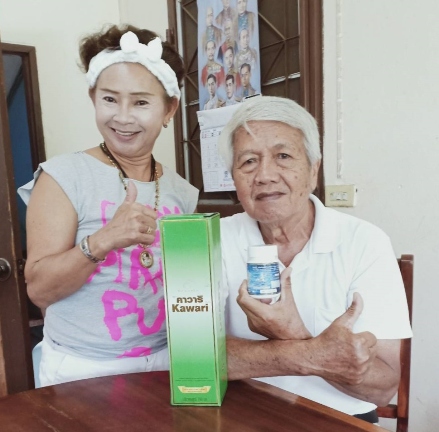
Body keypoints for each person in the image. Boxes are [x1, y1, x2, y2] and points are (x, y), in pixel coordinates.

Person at [17, 24, 199, 387]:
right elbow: (39, 290)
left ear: (169, 108)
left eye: (141, 102)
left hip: (167, 359)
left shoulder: (182, 191)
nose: (123, 117)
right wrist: (103, 240)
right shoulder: (62, 177)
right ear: (93, 98)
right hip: (82, 367)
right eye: (110, 99)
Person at [218, 96, 412, 423]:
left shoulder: (365, 242)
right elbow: (193, 360)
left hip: (340, 419)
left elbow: (381, 388)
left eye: (283, 156)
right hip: (241, 416)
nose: (265, 175)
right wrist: (311, 350)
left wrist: (290, 332)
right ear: (233, 179)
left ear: (313, 170)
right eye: (248, 161)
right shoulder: (211, 240)